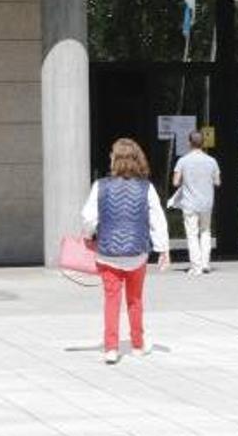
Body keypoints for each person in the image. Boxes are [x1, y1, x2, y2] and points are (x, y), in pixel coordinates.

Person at [81, 138, 170, 364]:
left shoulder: (100, 185)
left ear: (116, 159)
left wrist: (88, 235)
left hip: (107, 252)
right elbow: (157, 220)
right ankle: (138, 344)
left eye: (112, 154)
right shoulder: (146, 187)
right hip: (136, 252)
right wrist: (163, 249)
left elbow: (88, 218)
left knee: (111, 299)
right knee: (135, 300)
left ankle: (111, 348)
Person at [171, 130, 220, 275]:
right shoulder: (212, 161)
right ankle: (205, 263)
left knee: (192, 234)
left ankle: (196, 266)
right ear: (203, 144)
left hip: (190, 203)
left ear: (189, 143)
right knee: (206, 232)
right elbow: (217, 182)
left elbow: (175, 182)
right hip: (207, 203)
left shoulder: (182, 161)